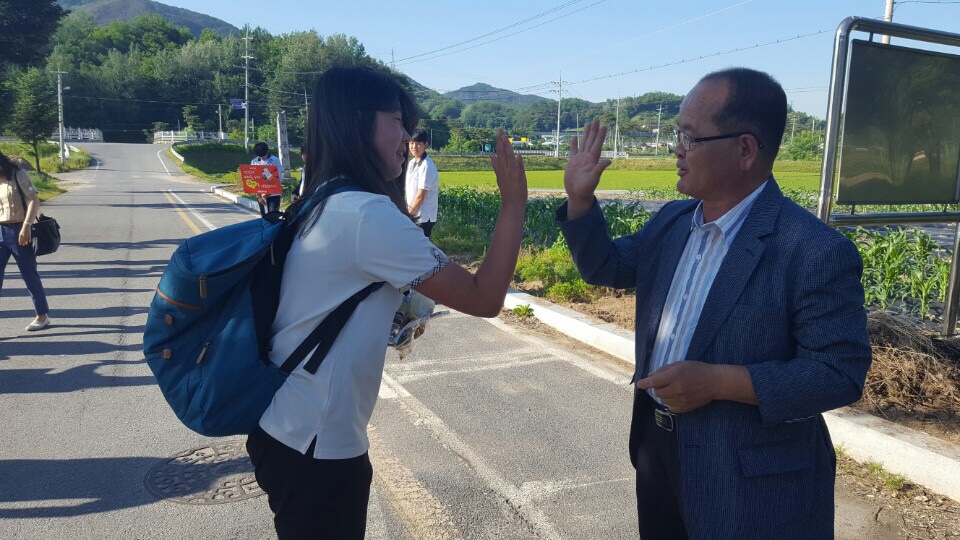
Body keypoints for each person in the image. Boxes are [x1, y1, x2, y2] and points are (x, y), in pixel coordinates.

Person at [557, 68, 871, 539]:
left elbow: (839, 374)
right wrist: (580, 202)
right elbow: (606, 266)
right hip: (658, 451)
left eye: (690, 136)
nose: (677, 149)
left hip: (751, 480)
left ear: (745, 149)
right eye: (677, 134)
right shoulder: (673, 221)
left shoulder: (812, 249)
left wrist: (720, 381)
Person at [246, 65, 527, 539]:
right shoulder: (367, 214)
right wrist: (514, 203)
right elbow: (485, 298)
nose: (408, 135)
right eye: (397, 119)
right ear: (359, 120)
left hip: (288, 427)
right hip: (317, 442)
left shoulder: (323, 195)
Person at [0, 150, 51, 331]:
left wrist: (27, 225)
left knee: (29, 273)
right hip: (0, 229)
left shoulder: (17, 174)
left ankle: (42, 315)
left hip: (18, 230)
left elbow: (33, 200)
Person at [404, 130, 440, 237]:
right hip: (414, 214)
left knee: (419, 250)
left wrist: (408, 215)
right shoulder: (411, 163)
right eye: (411, 143)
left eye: (418, 144)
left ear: (426, 145)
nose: (414, 147)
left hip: (423, 217)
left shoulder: (427, 166)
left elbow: (420, 196)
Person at [251, 142, 284, 214]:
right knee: (264, 217)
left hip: (273, 194)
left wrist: (268, 193)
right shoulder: (254, 162)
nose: (262, 158)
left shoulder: (275, 160)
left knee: (273, 216)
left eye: (264, 155)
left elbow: (279, 178)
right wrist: (258, 196)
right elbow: (253, 180)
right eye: (260, 156)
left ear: (267, 151)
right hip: (260, 195)